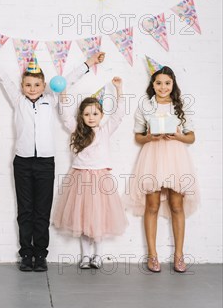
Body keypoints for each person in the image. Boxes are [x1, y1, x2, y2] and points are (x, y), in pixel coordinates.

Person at [0, 40, 104, 272]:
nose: (32, 88)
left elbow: (70, 79)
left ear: (44, 85)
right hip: (22, 162)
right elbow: (1, 75)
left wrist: (90, 62)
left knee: (42, 210)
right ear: (22, 86)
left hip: (45, 163)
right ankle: (26, 254)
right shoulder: (18, 100)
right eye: (28, 84)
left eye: (36, 84)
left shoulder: (50, 99)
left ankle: (40, 255)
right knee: (25, 210)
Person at [128, 66, 199, 273]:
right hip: (153, 157)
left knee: (177, 205)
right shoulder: (146, 105)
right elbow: (138, 137)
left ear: (173, 84)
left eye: (167, 83)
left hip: (176, 158)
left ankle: (179, 255)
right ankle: (152, 255)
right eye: (158, 83)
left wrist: (178, 136)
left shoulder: (180, 105)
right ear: (153, 85)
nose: (163, 87)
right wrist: (150, 137)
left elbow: (191, 137)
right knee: (152, 205)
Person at [53, 76, 128, 269]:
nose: (91, 117)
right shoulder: (77, 129)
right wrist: (63, 95)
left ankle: (98, 256)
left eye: (95, 113)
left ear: (101, 115)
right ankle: (85, 256)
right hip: (80, 178)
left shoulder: (105, 130)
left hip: (100, 179)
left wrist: (119, 90)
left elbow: (119, 114)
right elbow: (64, 116)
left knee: (99, 217)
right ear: (82, 117)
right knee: (83, 217)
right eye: (87, 114)